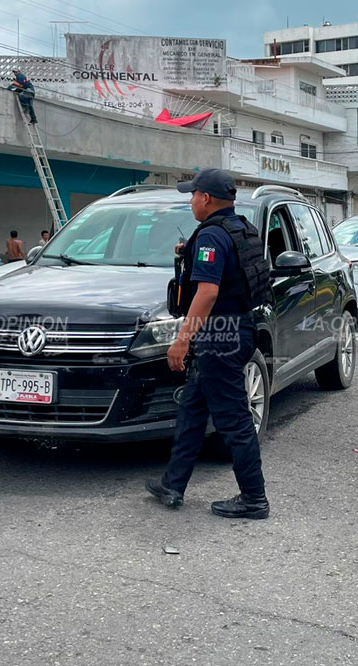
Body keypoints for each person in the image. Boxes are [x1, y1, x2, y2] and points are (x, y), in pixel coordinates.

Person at [145, 169, 272, 518]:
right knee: (193, 409)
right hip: (240, 328)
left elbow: (208, 292)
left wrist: (181, 341)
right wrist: (190, 251)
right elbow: (231, 268)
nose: (190, 201)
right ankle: (173, 485)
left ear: (205, 198)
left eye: (193, 195)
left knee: (233, 420)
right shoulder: (239, 228)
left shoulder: (212, 237)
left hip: (220, 336)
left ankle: (254, 499)